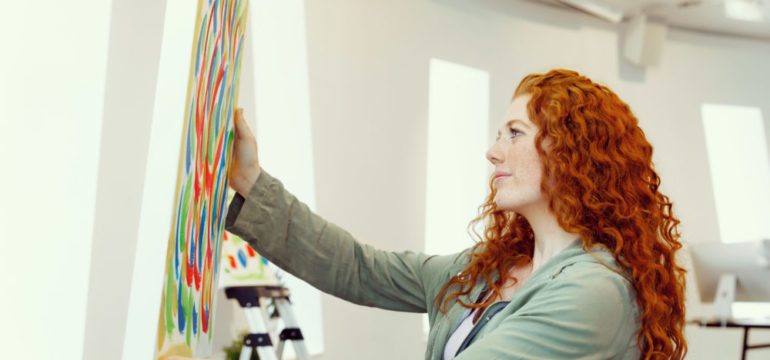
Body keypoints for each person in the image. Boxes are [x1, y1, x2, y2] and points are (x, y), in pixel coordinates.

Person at [175, 69, 688, 360]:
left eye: (514, 133)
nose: (493, 151)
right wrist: (250, 183)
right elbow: (358, 267)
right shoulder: (491, 268)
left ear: (572, 154)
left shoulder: (594, 292)